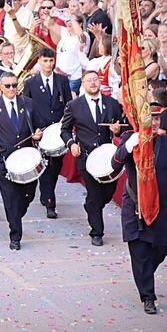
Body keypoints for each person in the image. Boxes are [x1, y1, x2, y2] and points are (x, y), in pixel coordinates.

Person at [110, 105, 167, 314]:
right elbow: (114, 165)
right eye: (150, 118)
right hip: (134, 204)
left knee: (164, 245)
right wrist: (127, 146)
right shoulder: (130, 137)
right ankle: (148, 297)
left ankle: (145, 273)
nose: (154, 123)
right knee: (139, 252)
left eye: (157, 119)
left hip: (160, 204)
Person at [0, 71, 42, 250]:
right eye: (8, 86)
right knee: (10, 199)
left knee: (28, 195)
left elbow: (39, 125)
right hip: (4, 161)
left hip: (27, 159)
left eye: (14, 85)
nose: (12, 89)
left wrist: (38, 133)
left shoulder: (28, 104)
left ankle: (16, 215)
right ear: (1, 88)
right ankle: (15, 236)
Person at [60, 70, 124, 245]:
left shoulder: (112, 104)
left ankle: (90, 206)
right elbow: (64, 130)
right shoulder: (74, 105)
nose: (93, 83)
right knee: (95, 193)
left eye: (95, 79)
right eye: (89, 80)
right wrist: (71, 144)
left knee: (108, 191)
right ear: (83, 84)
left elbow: (123, 127)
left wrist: (117, 130)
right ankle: (97, 232)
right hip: (86, 157)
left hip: (107, 157)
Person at [23, 48, 72, 218]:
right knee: (46, 168)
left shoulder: (62, 81)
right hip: (40, 131)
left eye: (51, 61)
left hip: (57, 132)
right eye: (45, 61)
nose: (49, 64)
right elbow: (26, 109)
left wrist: (66, 125)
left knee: (55, 166)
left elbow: (68, 105)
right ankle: (50, 203)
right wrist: (33, 130)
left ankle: (46, 193)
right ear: (39, 61)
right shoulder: (31, 83)